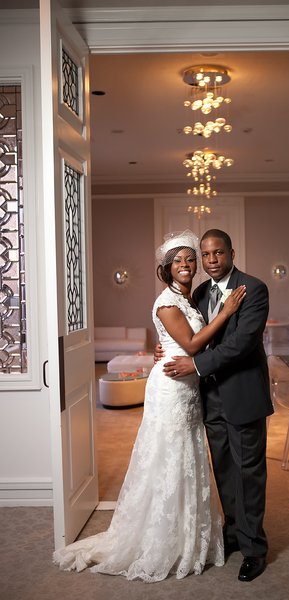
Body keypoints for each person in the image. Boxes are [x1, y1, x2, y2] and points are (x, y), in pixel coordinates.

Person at [53, 229, 246, 583]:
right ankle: (163, 539)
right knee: (167, 458)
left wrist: (162, 346)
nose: (186, 265)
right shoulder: (167, 301)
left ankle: (189, 535)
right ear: (167, 268)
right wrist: (226, 311)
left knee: (187, 458)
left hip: (191, 388)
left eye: (191, 259)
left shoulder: (191, 298)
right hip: (171, 388)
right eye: (179, 261)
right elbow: (191, 344)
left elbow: (178, 340)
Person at [161, 229, 273, 583]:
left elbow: (241, 343)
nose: (211, 260)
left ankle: (254, 548)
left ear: (231, 253)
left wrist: (195, 365)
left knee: (248, 472)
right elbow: (193, 338)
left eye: (218, 253)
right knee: (224, 469)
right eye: (206, 255)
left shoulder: (253, 289)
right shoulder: (199, 293)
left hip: (243, 394)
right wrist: (168, 348)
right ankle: (234, 532)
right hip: (210, 397)